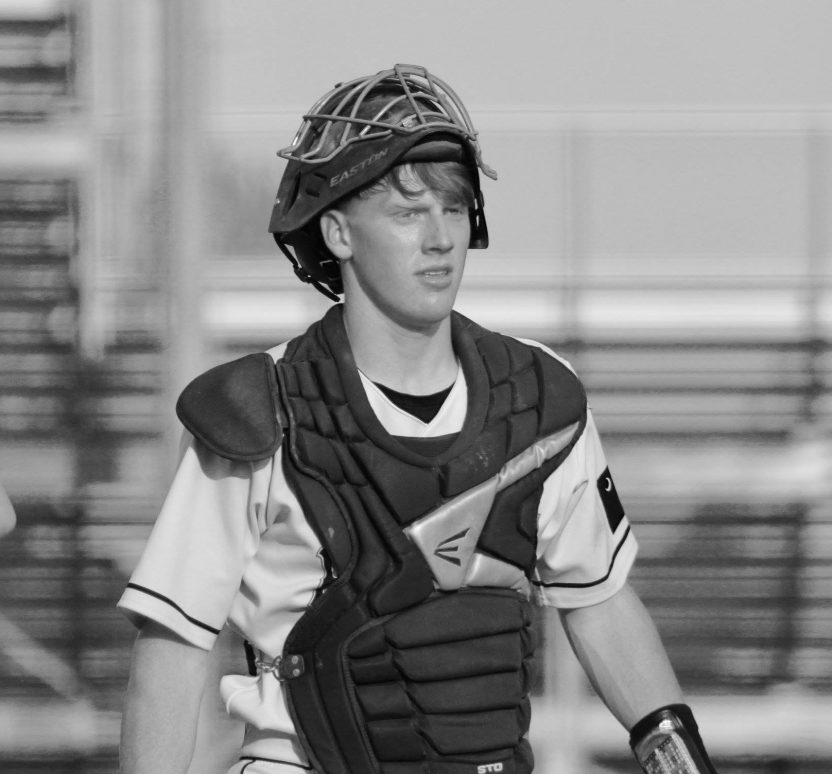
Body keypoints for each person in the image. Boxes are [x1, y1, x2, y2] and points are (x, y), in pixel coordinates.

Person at [118, 64, 717, 774]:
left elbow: (600, 605)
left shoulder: (538, 400)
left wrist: (678, 758)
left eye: (455, 209)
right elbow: (174, 644)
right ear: (337, 232)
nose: (440, 239)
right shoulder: (260, 411)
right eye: (408, 213)